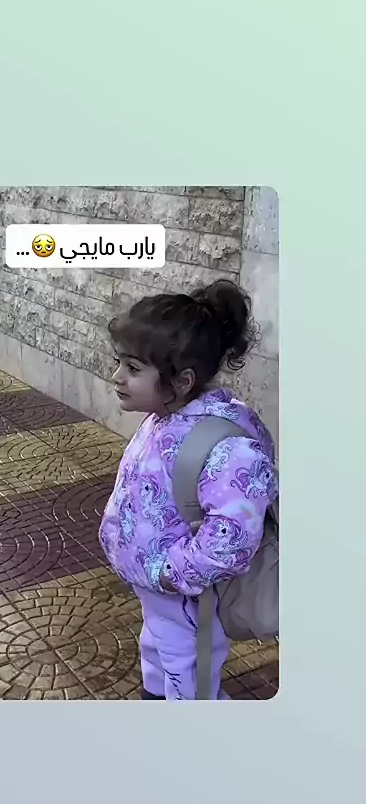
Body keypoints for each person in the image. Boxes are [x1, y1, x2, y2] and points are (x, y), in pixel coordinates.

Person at [98, 279, 278, 700]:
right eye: (119, 362)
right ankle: (156, 696)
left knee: (189, 666)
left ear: (182, 381)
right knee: (160, 647)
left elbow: (230, 541)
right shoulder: (164, 419)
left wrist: (170, 572)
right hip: (156, 584)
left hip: (183, 589)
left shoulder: (226, 447)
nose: (117, 377)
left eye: (133, 368)